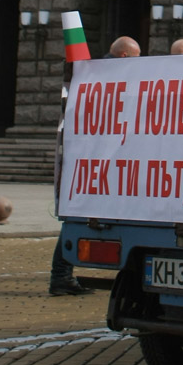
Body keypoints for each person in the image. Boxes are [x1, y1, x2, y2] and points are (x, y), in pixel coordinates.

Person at [50, 34, 141, 295]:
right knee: (80, 219)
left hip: (89, 161)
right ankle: (60, 277)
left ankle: (61, 277)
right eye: (136, 58)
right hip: (99, 162)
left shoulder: (91, 73)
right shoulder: (111, 76)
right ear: (124, 56)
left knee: (80, 219)